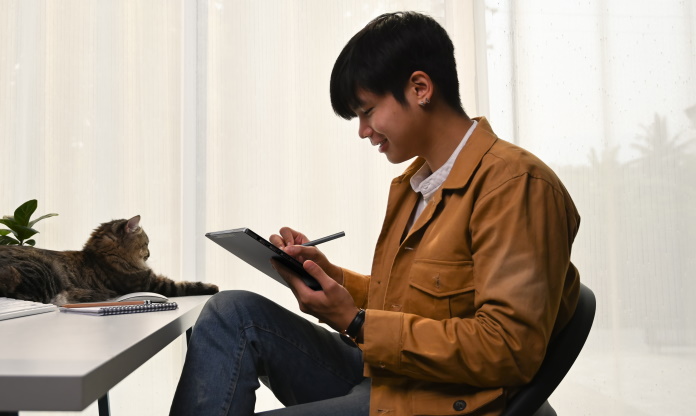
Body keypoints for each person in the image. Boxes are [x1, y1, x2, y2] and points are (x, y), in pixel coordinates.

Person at [170, 11, 580, 416]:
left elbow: (508, 349)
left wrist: (356, 323)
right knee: (232, 313)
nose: (363, 131)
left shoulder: (516, 184)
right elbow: (412, 306)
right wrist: (332, 279)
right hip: (390, 376)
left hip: (444, 401)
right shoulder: (415, 185)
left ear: (420, 88)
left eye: (367, 111)